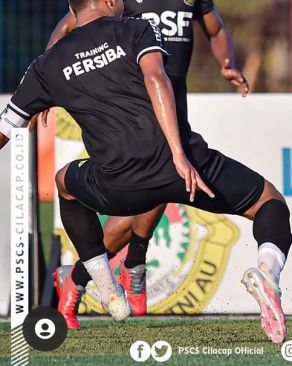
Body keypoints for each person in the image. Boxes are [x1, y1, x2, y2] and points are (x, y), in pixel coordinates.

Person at [0, 0, 290, 344]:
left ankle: (106, 285)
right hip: (182, 166)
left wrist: (45, 86)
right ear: (109, 1)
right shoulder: (135, 29)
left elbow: (7, 129)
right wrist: (179, 156)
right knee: (270, 203)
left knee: (66, 182)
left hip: (118, 184)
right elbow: (155, 77)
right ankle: (268, 271)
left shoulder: (45, 67)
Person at [44, 0, 250, 329]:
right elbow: (70, 23)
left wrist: (227, 62)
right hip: (131, 112)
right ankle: (128, 264)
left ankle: (80, 279)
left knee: (160, 186)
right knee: (152, 188)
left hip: (171, 108)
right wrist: (48, 78)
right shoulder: (118, 2)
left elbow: (217, 29)